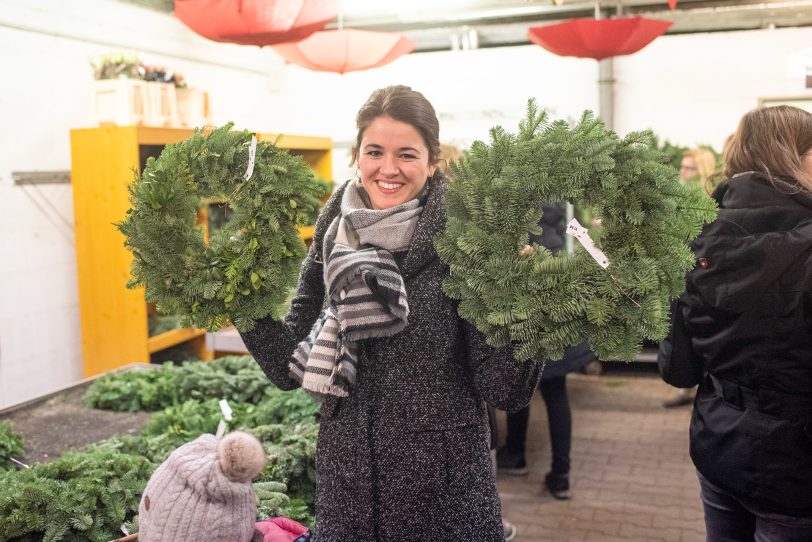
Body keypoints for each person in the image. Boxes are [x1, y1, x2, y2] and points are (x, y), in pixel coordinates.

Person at [239, 85, 542, 542]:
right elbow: (289, 364)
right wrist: (238, 300)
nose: (388, 169)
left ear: (432, 161)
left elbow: (503, 388)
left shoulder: (466, 234)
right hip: (350, 485)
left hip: (443, 492)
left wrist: (528, 308)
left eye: (407, 154)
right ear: (357, 155)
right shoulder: (334, 226)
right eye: (374, 151)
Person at [657, 105, 812, 541]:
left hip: (718, 447)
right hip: (797, 471)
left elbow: (677, 369)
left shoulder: (694, 236)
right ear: (795, 157)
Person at [495, 203, 597, 500]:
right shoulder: (558, 213)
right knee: (555, 391)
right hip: (556, 301)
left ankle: (516, 454)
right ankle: (560, 474)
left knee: (521, 384)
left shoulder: (517, 206)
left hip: (526, 304)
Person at [663, 147, 718, 408]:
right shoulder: (681, 198)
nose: (682, 172)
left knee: (687, 330)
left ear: (702, 170)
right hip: (683, 275)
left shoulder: (700, 201)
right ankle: (688, 388)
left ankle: (691, 386)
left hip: (693, 276)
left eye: (689, 168)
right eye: (681, 167)